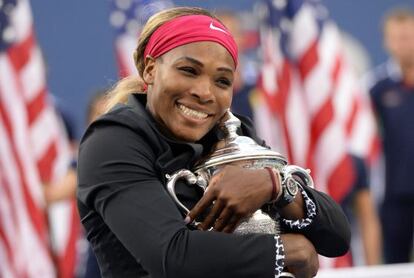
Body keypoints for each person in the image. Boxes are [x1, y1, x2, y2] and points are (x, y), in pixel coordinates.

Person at [77, 7, 350, 278]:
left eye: (222, 80)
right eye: (188, 70)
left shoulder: (232, 132)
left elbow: (336, 238)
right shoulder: (111, 141)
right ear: (150, 69)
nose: (204, 93)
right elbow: (173, 258)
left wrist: (274, 185)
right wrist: (287, 251)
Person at [367, 8, 414, 264]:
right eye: (397, 37)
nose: (403, 43)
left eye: (408, 36)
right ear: (386, 42)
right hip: (395, 192)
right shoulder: (376, 86)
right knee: (396, 262)